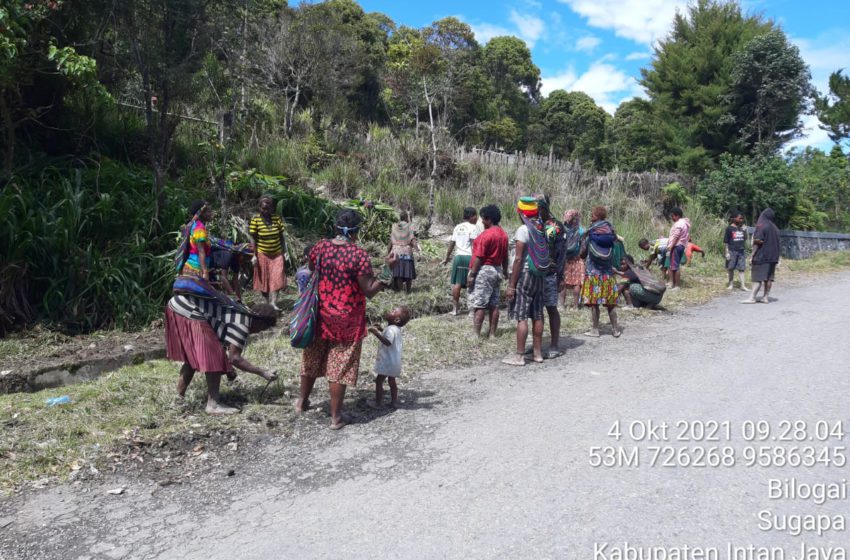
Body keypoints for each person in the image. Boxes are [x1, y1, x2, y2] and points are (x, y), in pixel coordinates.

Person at [296, 210, 396, 430]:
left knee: (311, 358)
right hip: (347, 320)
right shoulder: (358, 255)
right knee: (339, 367)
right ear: (356, 232)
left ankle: (301, 403)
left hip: (319, 314)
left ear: (335, 227)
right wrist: (388, 270)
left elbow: (312, 270)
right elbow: (369, 290)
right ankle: (336, 418)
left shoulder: (320, 247)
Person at [166, 297, 279, 415]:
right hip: (187, 308)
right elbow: (235, 358)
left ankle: (178, 398)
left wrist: (228, 368)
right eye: (261, 329)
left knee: (195, 356)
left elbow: (225, 348)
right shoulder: (242, 322)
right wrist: (263, 372)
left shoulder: (243, 311)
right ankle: (213, 405)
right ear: (260, 322)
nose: (257, 332)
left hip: (178, 304)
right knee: (214, 356)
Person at [503, 197, 550, 366]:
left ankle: (520, 356)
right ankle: (537, 353)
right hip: (539, 276)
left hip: (525, 276)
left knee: (521, 316)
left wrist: (511, 285)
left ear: (521, 213)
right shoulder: (540, 228)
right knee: (537, 314)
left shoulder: (523, 230)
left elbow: (518, 259)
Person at [467, 205, 509, 338]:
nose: (482, 222)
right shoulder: (503, 234)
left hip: (484, 270)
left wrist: (472, 274)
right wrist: (505, 271)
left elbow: (479, 256)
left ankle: (476, 335)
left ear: (488, 219)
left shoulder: (486, 235)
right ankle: (492, 334)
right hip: (497, 270)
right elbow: (506, 256)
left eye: (483, 219)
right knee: (494, 304)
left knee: (479, 304)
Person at [580, 206, 621, 338]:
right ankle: (615, 329)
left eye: (592, 214)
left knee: (594, 303)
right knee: (610, 304)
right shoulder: (610, 231)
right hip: (608, 274)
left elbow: (582, 253)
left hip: (593, 273)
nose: (591, 216)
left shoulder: (591, 232)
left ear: (597, 216)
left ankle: (595, 330)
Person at [537, 195, 565, 359]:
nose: (536, 212)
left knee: (551, 308)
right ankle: (537, 345)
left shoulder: (556, 226)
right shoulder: (533, 224)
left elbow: (561, 253)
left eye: (538, 208)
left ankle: (554, 344)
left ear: (544, 208)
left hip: (550, 274)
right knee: (536, 310)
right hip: (535, 275)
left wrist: (560, 276)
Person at [368, 306, 411, 409]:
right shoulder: (395, 328)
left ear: (396, 319)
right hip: (395, 362)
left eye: (393, 311)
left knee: (379, 381)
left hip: (387, 362)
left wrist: (376, 333)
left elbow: (387, 342)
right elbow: (389, 336)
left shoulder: (391, 329)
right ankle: (394, 402)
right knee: (392, 381)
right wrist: (381, 329)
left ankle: (378, 403)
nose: (390, 311)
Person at [249, 194, 287, 310]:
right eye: (263, 208)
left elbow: (281, 236)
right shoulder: (255, 220)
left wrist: (285, 251)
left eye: (268, 208)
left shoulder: (276, 218)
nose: (265, 211)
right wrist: (254, 255)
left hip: (277, 253)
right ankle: (266, 302)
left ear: (272, 208)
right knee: (263, 279)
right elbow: (252, 237)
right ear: (259, 208)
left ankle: (273, 303)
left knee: (278, 277)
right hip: (262, 253)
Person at [443, 207, 479, 315]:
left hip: (458, 257)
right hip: (469, 257)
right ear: (472, 216)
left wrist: (447, 257)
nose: (477, 218)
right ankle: (471, 311)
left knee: (457, 284)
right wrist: (476, 259)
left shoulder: (457, 227)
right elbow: (474, 245)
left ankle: (455, 310)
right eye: (475, 215)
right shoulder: (473, 228)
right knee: (471, 283)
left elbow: (451, 244)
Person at [742, 208, 780, 304]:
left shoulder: (762, 225)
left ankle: (752, 298)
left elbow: (758, 241)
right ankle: (765, 297)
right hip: (773, 257)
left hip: (762, 256)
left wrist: (752, 255)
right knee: (769, 278)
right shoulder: (775, 228)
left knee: (757, 278)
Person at [181, 200, 213, 280]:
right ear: (202, 213)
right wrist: (205, 272)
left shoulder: (195, 225)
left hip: (192, 268)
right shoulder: (199, 228)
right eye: (208, 211)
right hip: (196, 270)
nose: (211, 214)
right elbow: (201, 251)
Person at [388, 217, 420, 293]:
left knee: (399, 274)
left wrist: (388, 252)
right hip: (407, 253)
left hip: (396, 254)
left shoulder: (395, 228)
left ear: (400, 218)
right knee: (408, 274)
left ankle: (401, 291)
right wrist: (418, 251)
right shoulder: (409, 227)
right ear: (406, 219)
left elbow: (390, 243)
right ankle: (408, 291)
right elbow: (413, 241)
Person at [560, 209, 584, 309]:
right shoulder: (581, 230)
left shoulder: (561, 229)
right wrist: (581, 255)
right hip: (577, 259)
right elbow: (583, 246)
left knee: (563, 282)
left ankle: (561, 305)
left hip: (564, 259)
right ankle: (575, 306)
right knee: (577, 283)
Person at [666, 207, 691, 290]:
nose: (672, 218)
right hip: (681, 246)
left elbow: (676, 237)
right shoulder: (684, 223)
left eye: (673, 216)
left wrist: (670, 246)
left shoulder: (679, 224)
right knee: (673, 265)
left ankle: (676, 285)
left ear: (677, 216)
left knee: (675, 266)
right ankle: (671, 283)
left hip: (676, 246)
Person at [724, 212, 748, 290]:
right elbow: (726, 241)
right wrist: (726, 252)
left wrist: (745, 231)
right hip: (732, 251)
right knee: (731, 268)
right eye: (740, 218)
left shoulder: (742, 228)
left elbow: (745, 239)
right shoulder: (729, 228)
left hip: (741, 251)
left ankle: (743, 286)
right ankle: (731, 285)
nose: (741, 220)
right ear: (734, 219)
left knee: (742, 268)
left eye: (742, 218)